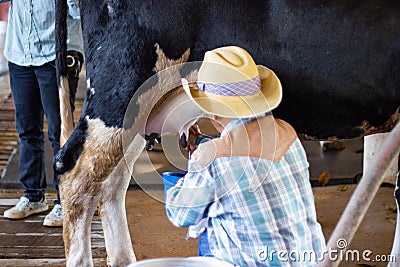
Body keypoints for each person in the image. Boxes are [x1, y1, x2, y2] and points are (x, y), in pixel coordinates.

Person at [165, 46, 326, 266]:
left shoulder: (213, 159)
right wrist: (201, 144)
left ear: (211, 112)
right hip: (311, 261)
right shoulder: (286, 131)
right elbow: (246, 148)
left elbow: (179, 215)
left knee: (208, 230)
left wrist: (187, 175)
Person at [2, 0, 84, 227]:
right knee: (27, 130)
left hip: (57, 53)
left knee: (61, 131)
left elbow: (79, 11)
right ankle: (33, 196)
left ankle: (66, 200)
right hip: (20, 52)